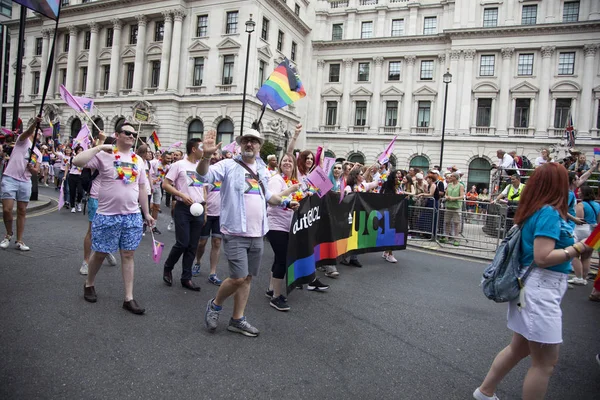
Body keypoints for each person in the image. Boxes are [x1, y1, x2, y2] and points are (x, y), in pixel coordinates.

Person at [474, 162, 593, 400]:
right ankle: (485, 392)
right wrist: (578, 247)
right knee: (545, 363)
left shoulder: (540, 209)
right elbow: (543, 257)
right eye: (568, 183)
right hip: (540, 288)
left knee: (519, 349)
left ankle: (485, 392)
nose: (573, 187)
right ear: (558, 185)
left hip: (536, 287)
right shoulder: (548, 212)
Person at [198, 128, 298, 337]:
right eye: (246, 141)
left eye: (254, 141)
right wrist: (206, 156)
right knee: (237, 277)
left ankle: (237, 319)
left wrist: (287, 202)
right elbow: (202, 175)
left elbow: (269, 196)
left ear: (259, 146)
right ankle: (215, 305)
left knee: (248, 278)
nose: (250, 144)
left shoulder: (262, 170)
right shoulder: (227, 165)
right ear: (240, 144)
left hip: (258, 233)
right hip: (235, 232)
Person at [72, 121, 154, 315]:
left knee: (128, 254)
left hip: (132, 216)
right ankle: (89, 283)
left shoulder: (138, 160)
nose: (132, 136)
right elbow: (77, 162)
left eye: (133, 134)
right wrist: (100, 146)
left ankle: (129, 298)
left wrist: (147, 212)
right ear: (117, 135)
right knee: (100, 252)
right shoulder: (103, 156)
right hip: (107, 215)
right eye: (127, 133)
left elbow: (142, 187)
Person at [161, 139, 206, 292]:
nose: (204, 150)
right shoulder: (179, 165)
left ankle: (186, 278)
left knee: (193, 245)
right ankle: (168, 267)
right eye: (202, 147)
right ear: (194, 149)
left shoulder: (202, 166)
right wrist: (181, 194)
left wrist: (204, 207)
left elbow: (203, 189)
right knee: (183, 242)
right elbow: (165, 184)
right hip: (183, 207)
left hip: (199, 208)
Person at [265, 154, 305, 311]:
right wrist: (290, 190)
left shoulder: (292, 181)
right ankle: (276, 297)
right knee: (282, 259)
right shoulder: (276, 180)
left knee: (278, 258)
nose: (287, 163)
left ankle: (271, 289)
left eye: (290, 161)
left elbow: (294, 201)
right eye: (285, 161)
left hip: (288, 225)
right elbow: (272, 199)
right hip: (276, 225)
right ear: (280, 164)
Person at [0, 117, 42, 251]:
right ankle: (8, 234)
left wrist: (32, 168)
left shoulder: (38, 153)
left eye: (40, 133)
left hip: (25, 181)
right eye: (36, 132)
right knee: (7, 209)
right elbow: (27, 133)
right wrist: (34, 124)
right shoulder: (22, 142)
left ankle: (19, 240)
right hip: (10, 178)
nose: (38, 134)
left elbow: (37, 171)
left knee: (22, 211)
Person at [80, 134, 118, 275]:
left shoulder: (121, 158)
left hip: (113, 200)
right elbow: (81, 160)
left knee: (108, 230)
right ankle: (85, 261)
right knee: (92, 231)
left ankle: (104, 250)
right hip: (96, 198)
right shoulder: (99, 156)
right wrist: (100, 144)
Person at [193, 149, 223, 285]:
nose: (214, 157)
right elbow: (203, 191)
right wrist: (204, 212)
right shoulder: (205, 172)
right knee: (201, 243)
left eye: (217, 154)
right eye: (213, 154)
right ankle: (198, 261)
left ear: (221, 156)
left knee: (217, 243)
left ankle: (213, 272)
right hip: (207, 213)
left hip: (220, 215)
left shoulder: (224, 172)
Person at [569, 185, 599, 286]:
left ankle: (578, 277)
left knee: (575, 254)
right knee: (587, 256)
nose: (577, 193)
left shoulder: (581, 205)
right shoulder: (597, 205)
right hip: (593, 231)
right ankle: (584, 278)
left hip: (581, 230)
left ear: (584, 193)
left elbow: (579, 220)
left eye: (579, 191)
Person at [149, 151, 172, 234]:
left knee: (156, 207)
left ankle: (153, 226)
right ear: (162, 158)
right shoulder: (153, 163)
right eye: (167, 158)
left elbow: (164, 176)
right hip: (149, 187)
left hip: (158, 187)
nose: (169, 160)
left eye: (170, 158)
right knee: (150, 206)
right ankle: (144, 223)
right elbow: (146, 173)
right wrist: (151, 181)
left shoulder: (168, 167)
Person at [440, 172, 464, 246]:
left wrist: (453, 198)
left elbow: (462, 196)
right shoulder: (449, 185)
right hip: (448, 206)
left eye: (452, 176)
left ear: (456, 178)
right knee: (447, 222)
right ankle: (446, 237)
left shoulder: (460, 185)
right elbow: (446, 193)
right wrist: (446, 197)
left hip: (456, 207)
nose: (450, 178)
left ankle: (456, 239)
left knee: (456, 223)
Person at [68, 145, 85, 213]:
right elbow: (67, 166)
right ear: (76, 151)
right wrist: (65, 175)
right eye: (79, 150)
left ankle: (78, 202)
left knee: (80, 191)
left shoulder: (84, 159)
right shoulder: (72, 158)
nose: (80, 151)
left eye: (81, 150)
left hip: (80, 177)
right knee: (72, 192)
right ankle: (72, 206)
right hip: (72, 175)